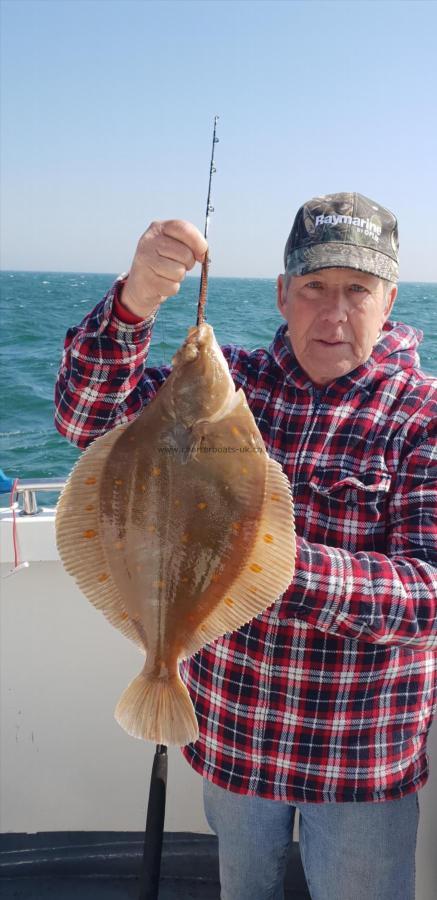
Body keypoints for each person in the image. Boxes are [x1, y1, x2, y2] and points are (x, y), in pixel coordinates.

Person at [55, 193, 437, 900]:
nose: (333, 313)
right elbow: (85, 415)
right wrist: (135, 305)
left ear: (388, 300)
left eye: (356, 290)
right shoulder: (232, 383)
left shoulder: (422, 415)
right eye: (314, 287)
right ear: (281, 293)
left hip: (357, 759)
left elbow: (426, 596)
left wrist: (263, 559)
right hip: (232, 733)